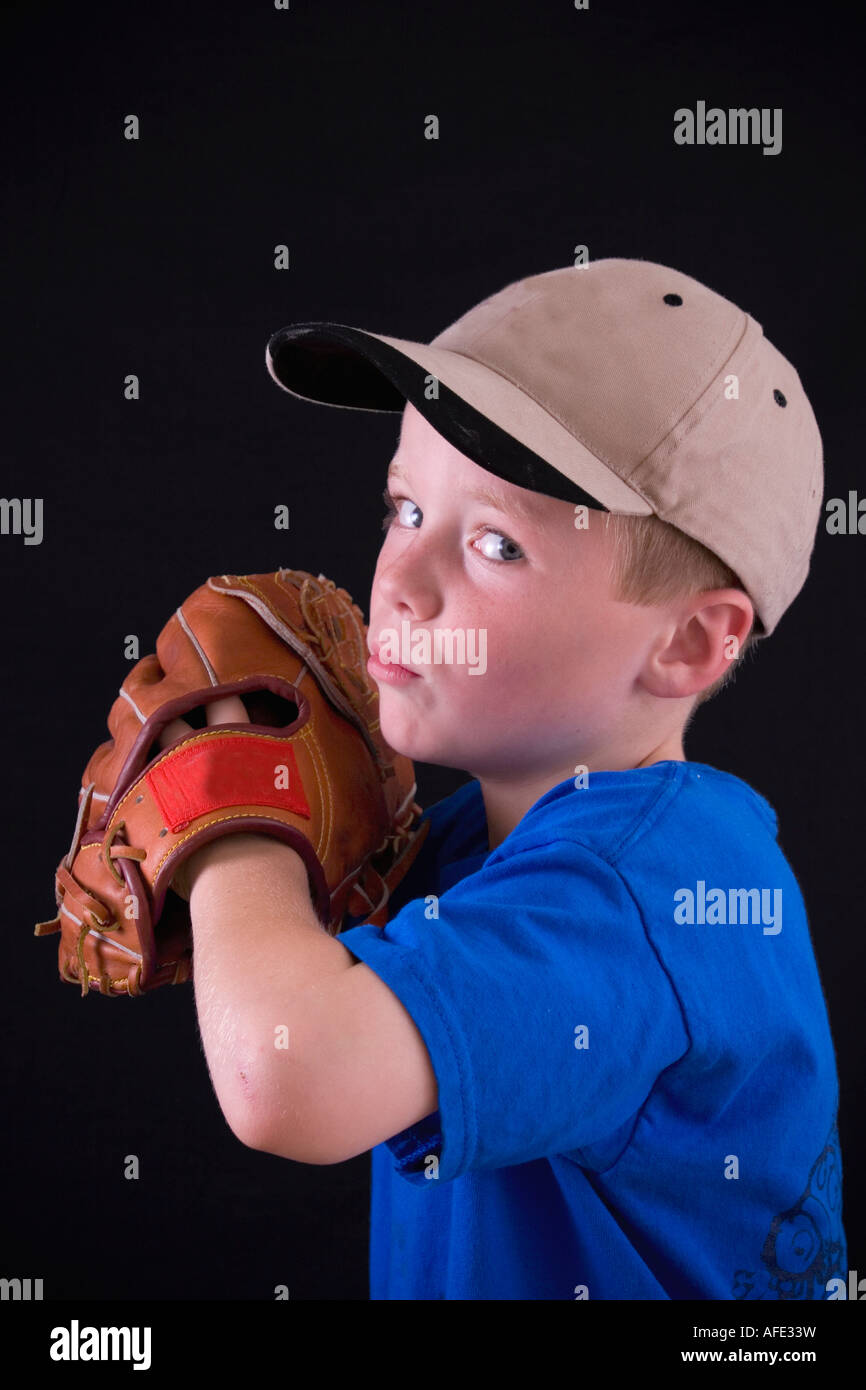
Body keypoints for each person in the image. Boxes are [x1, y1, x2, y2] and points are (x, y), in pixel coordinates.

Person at [162, 258, 847, 1300]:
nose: (399, 578)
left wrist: (231, 808)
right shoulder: (486, 841)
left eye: (492, 543)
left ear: (688, 644)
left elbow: (283, 1074)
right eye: (402, 509)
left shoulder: (642, 895)